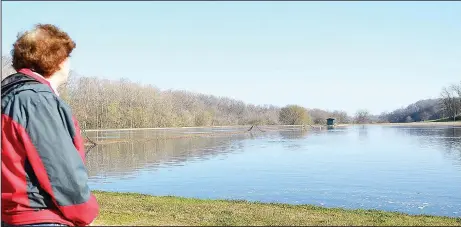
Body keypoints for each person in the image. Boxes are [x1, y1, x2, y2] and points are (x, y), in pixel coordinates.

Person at [1, 24, 99, 226]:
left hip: (12, 215)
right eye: (68, 57)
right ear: (59, 61)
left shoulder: (10, 97)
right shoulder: (35, 101)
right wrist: (84, 211)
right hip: (39, 217)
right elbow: (60, 169)